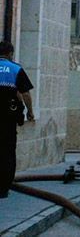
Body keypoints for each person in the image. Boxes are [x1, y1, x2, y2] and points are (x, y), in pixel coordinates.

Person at [0, 41, 34, 199]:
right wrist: (30, 112)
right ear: (10, 53)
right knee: (7, 152)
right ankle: (3, 187)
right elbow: (25, 93)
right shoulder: (15, 69)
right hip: (7, 119)